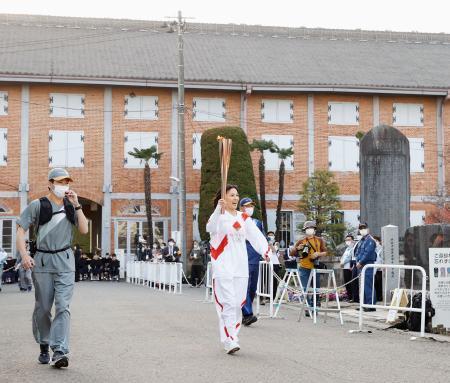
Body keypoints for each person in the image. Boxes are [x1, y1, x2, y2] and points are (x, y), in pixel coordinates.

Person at [16, 168, 88, 368]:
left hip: (65, 261)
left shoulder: (71, 206)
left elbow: (84, 229)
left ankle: (59, 350)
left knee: (63, 306)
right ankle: (44, 344)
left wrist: (77, 205)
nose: (63, 185)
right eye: (59, 182)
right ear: (50, 184)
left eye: (66, 182)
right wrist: (24, 254)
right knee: (43, 308)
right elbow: (20, 230)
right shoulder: (37, 205)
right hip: (43, 261)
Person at [206, 185, 270, 354]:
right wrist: (218, 209)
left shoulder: (243, 218)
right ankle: (231, 339)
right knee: (228, 303)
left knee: (236, 304)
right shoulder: (219, 217)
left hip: (240, 266)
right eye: (231, 195)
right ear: (223, 197)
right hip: (223, 266)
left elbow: (256, 236)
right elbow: (210, 228)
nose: (235, 198)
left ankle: (231, 336)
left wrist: (266, 252)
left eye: (237, 195)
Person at [290, 221, 327, 313]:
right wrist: (298, 248)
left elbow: (325, 252)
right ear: (305, 230)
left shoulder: (319, 240)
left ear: (314, 230)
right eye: (307, 229)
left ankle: (314, 306)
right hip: (303, 267)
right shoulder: (301, 241)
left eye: (311, 228)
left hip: (315, 267)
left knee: (316, 289)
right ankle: (308, 307)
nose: (310, 230)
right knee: (305, 289)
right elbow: (292, 253)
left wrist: (318, 253)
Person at [239, 197, 264, 326]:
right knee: (245, 286)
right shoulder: (237, 220)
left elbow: (261, 239)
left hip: (255, 258)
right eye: (247, 205)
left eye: (252, 205)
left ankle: (245, 313)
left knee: (252, 288)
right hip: (243, 258)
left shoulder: (258, 223)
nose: (250, 208)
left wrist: (265, 252)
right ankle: (248, 314)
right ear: (242, 207)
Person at [354, 222, 377, 311]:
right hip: (361, 265)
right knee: (362, 286)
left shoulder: (370, 240)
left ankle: (370, 305)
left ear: (368, 229)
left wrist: (360, 262)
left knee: (368, 285)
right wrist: (357, 261)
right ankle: (363, 304)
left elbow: (368, 253)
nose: (362, 230)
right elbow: (357, 252)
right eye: (361, 228)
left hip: (367, 265)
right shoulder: (362, 240)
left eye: (364, 228)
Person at [340, 234, 355, 301]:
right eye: (346, 240)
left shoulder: (353, 248)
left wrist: (343, 262)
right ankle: (349, 296)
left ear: (352, 240)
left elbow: (349, 258)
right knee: (346, 283)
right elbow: (343, 257)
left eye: (349, 240)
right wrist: (341, 262)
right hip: (345, 267)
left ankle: (352, 297)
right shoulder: (347, 248)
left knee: (350, 283)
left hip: (350, 267)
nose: (347, 241)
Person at [373, 235, 384, 302]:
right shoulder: (374, 249)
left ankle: (380, 297)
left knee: (379, 283)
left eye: (376, 240)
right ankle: (376, 296)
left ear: (379, 241)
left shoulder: (382, 249)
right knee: (375, 283)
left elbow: (382, 259)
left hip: (380, 269)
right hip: (374, 268)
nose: (375, 242)